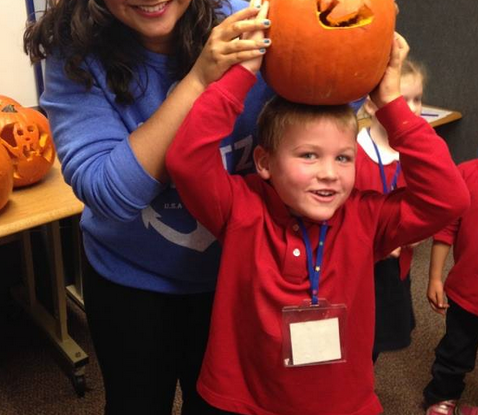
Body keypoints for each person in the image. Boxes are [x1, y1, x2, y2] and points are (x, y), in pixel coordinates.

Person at [23, 0, 273, 415]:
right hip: (130, 284)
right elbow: (110, 191)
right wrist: (201, 79)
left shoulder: (243, 28)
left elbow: (332, 96)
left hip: (236, 275)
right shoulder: (75, 58)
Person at [165, 33, 470, 415]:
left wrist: (392, 105)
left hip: (342, 403)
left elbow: (449, 197)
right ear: (263, 162)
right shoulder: (240, 206)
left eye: (343, 158)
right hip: (242, 401)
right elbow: (185, 160)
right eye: (309, 155)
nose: (329, 173)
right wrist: (242, 74)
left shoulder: (366, 216)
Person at [355, 58, 426, 362]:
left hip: (395, 269)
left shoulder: (418, 154)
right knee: (348, 334)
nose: (411, 108)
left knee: (377, 339)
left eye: (417, 99)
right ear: (372, 105)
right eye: (400, 99)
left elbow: (429, 206)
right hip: (356, 269)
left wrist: (416, 234)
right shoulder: (353, 152)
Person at [423, 160, 478, 415]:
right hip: (467, 293)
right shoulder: (466, 174)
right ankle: (443, 396)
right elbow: (446, 229)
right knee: (455, 352)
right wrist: (435, 277)